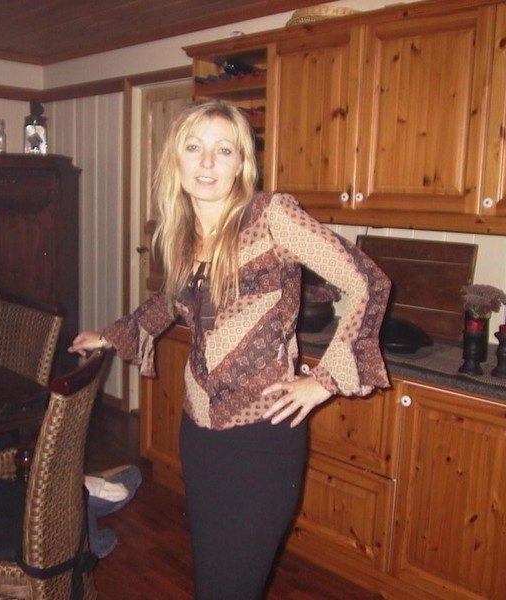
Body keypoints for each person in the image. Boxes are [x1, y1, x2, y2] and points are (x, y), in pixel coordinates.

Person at [69, 100, 391, 599]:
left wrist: (323, 381)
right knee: (213, 577)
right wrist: (112, 334)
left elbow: (367, 282)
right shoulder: (182, 235)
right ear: (175, 160)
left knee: (232, 585)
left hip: (263, 435)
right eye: (194, 148)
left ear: (242, 163)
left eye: (223, 150)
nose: (207, 162)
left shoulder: (271, 216)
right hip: (199, 432)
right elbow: (169, 301)